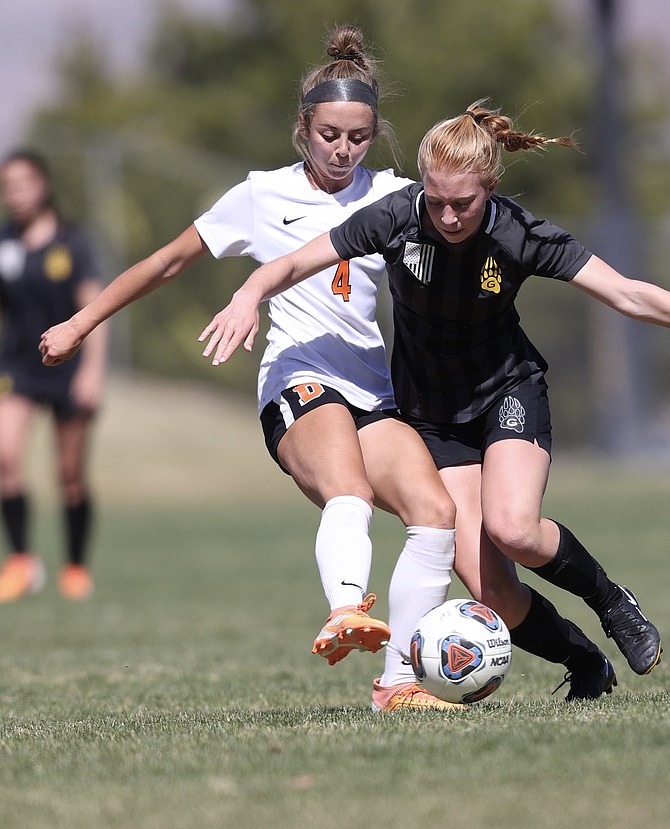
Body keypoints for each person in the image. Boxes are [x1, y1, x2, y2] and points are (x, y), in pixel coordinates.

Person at [39, 38, 612, 706]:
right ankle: (346, 609)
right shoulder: (260, 196)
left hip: (375, 390)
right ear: (303, 128)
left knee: (438, 516)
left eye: (360, 138)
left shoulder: (403, 198)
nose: (343, 150)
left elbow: (475, 226)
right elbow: (167, 262)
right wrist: (82, 324)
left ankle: (400, 685)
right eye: (330, 134)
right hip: (298, 379)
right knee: (346, 486)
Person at [190, 99, 665, 697]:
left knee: (514, 530)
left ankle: (611, 600)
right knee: (487, 585)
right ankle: (586, 664)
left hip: (505, 393)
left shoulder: (517, 233)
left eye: (462, 203)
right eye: (435, 199)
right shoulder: (395, 216)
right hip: (434, 416)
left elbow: (626, 294)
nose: (446, 215)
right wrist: (248, 292)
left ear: (489, 188)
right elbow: (294, 261)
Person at [0, 149, 107, 601]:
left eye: (23, 182)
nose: (15, 193)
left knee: (69, 474)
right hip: (19, 368)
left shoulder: (72, 242)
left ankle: (76, 568)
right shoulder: (4, 242)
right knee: (4, 458)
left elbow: (95, 308)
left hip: (69, 368)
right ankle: (22, 561)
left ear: (43, 185)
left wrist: (93, 372)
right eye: (8, 185)